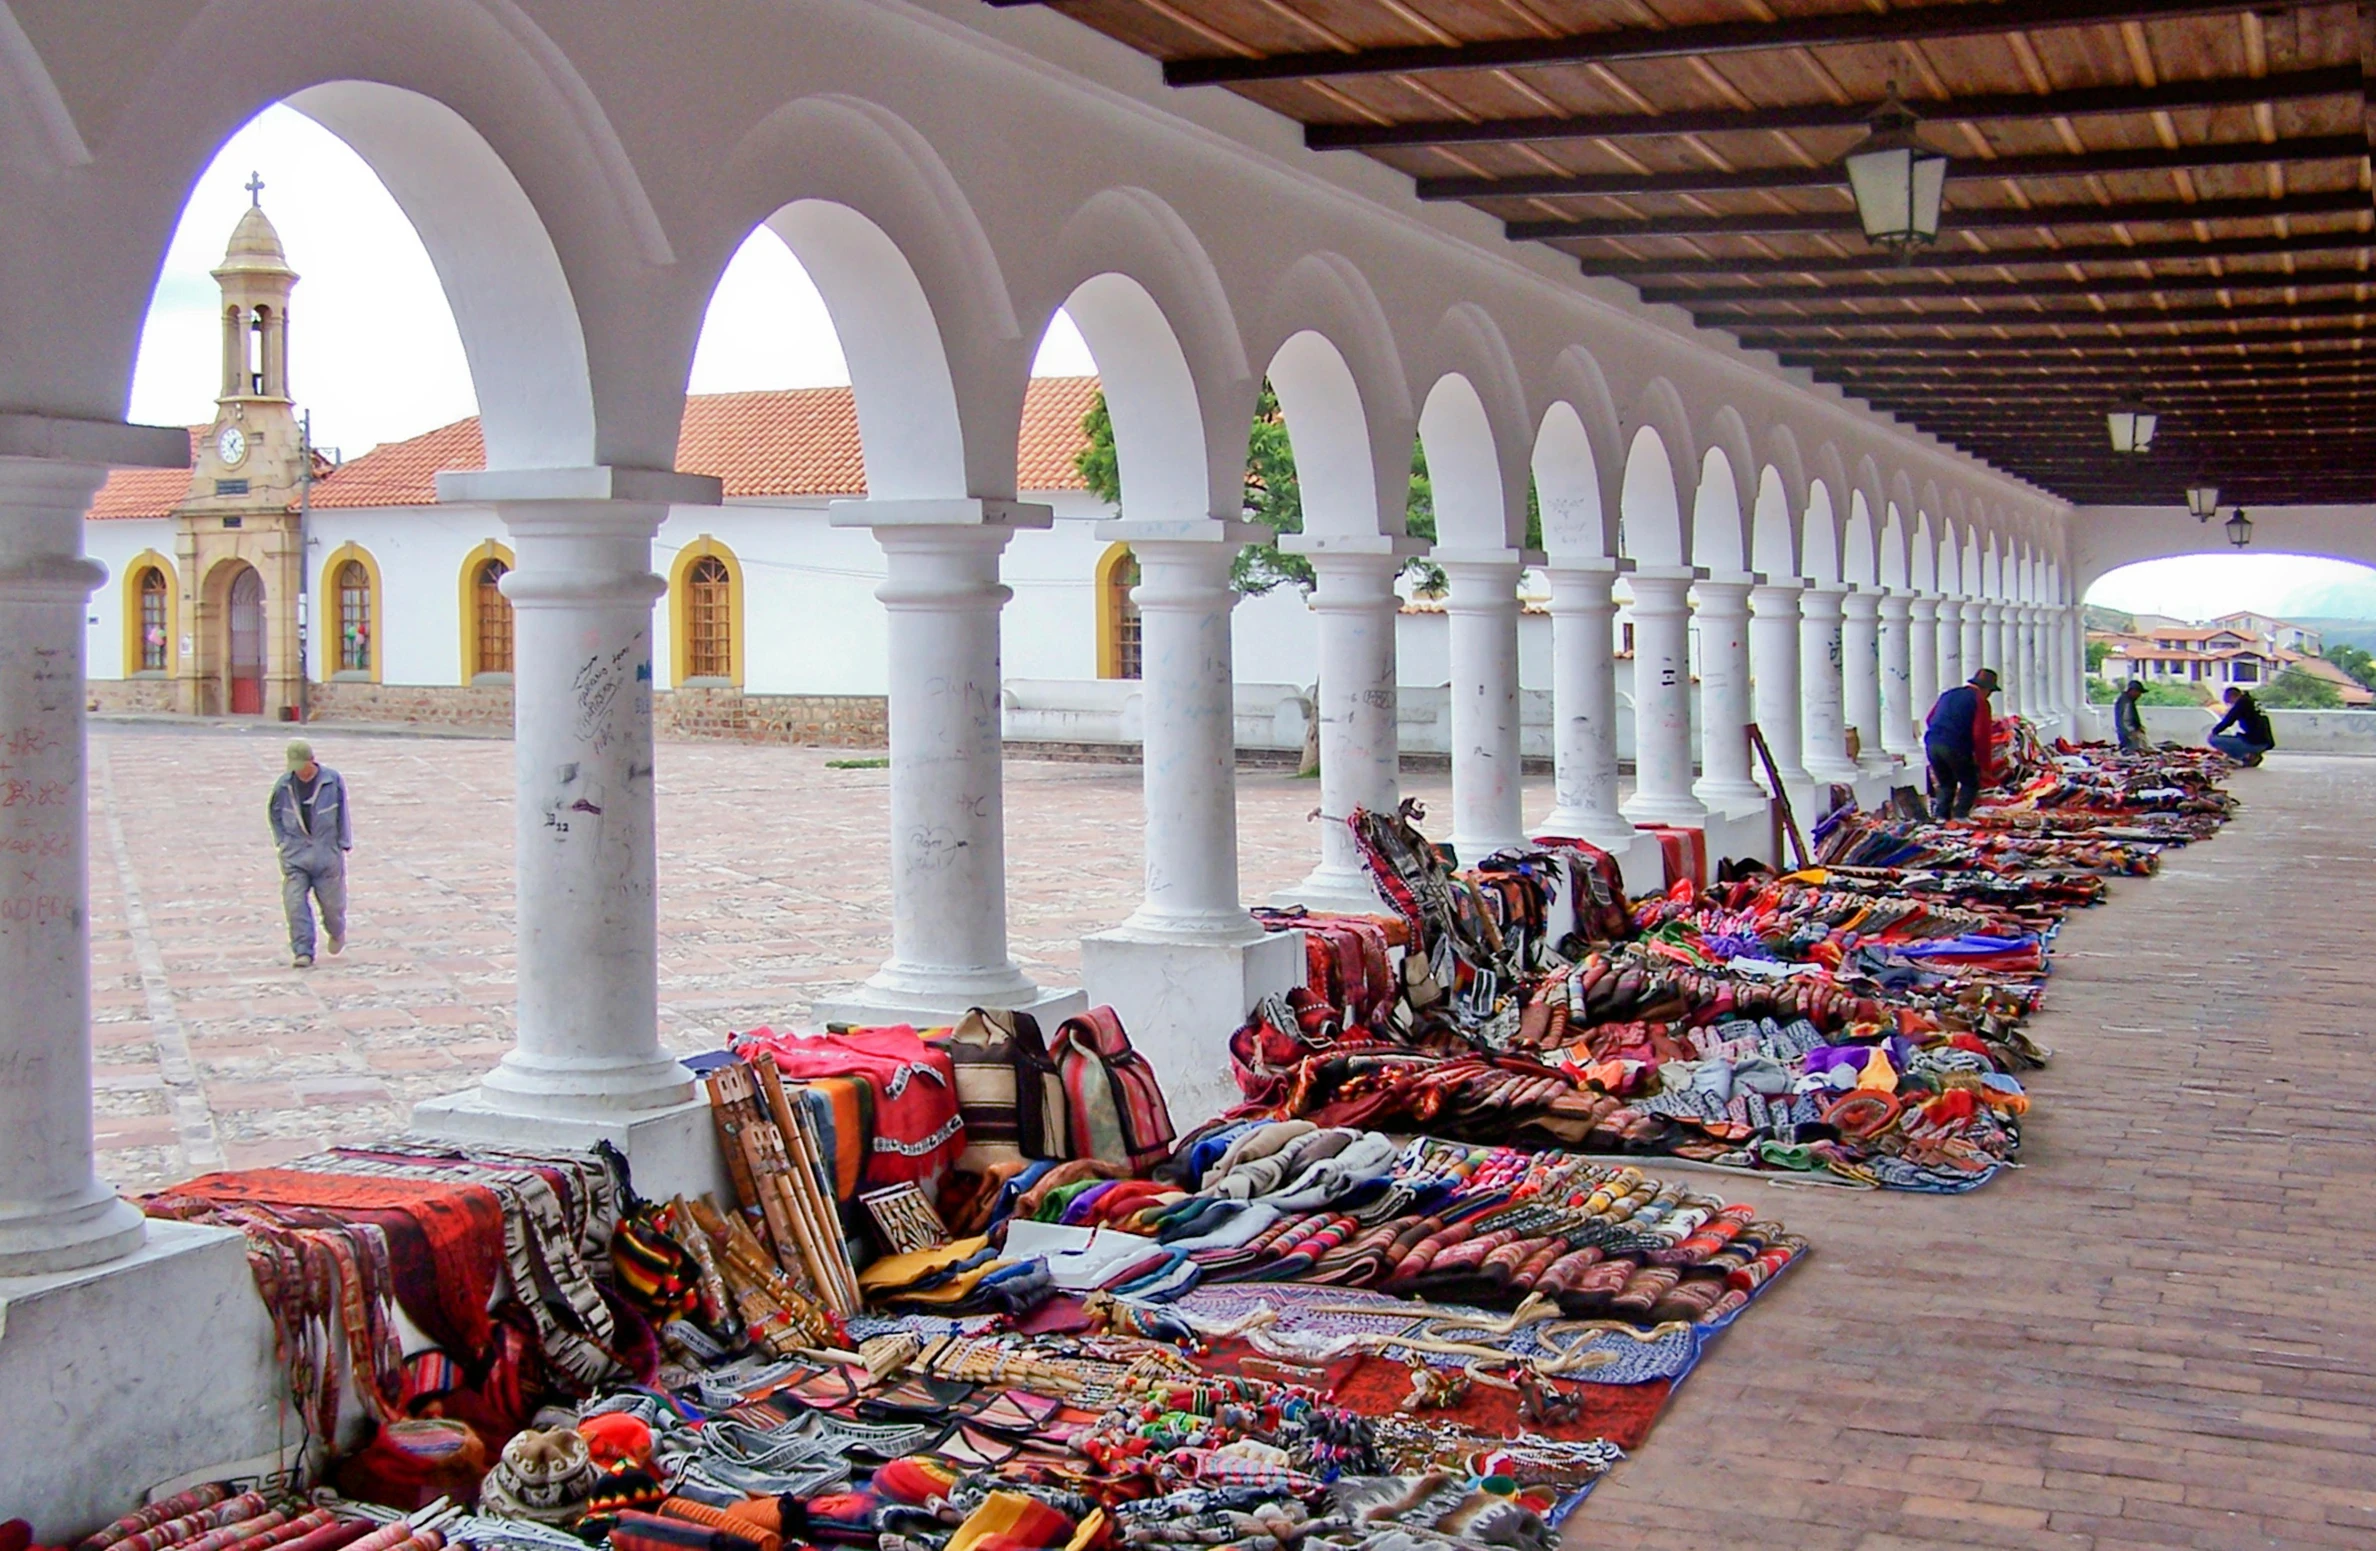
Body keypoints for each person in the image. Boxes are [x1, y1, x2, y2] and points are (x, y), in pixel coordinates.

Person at [268, 739, 350, 968]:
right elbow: (274, 814)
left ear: (311, 761)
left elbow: (342, 812)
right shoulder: (283, 786)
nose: (298, 771)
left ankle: (337, 931)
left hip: (326, 855)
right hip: (295, 856)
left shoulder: (331, 781)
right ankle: (303, 950)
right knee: (294, 903)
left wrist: (343, 842)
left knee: (332, 907)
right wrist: (282, 841)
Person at [1923, 667, 1999, 821]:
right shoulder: (1979, 701)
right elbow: (1981, 735)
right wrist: (1985, 767)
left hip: (1932, 742)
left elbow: (1929, 718)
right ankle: (1960, 815)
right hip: (1955, 745)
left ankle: (1941, 817)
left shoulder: (1948, 694)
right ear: (1987, 690)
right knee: (1970, 782)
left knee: (1946, 783)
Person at [2207, 685, 2275, 766]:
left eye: (2230, 703)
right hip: (2266, 742)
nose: (2231, 706)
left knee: (2214, 739)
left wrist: (2214, 732)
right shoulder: (2252, 701)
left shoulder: (2242, 703)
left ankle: (2243, 757)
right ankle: (2252, 755)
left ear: (2232, 697)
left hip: (2255, 742)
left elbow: (2228, 721)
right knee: (2236, 737)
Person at [2113, 679, 2148, 752]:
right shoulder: (2125, 702)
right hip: (2129, 735)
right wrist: (2131, 733)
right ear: (2132, 691)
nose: (2139, 695)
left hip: (2130, 733)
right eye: (2138, 692)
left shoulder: (2129, 701)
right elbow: (2124, 720)